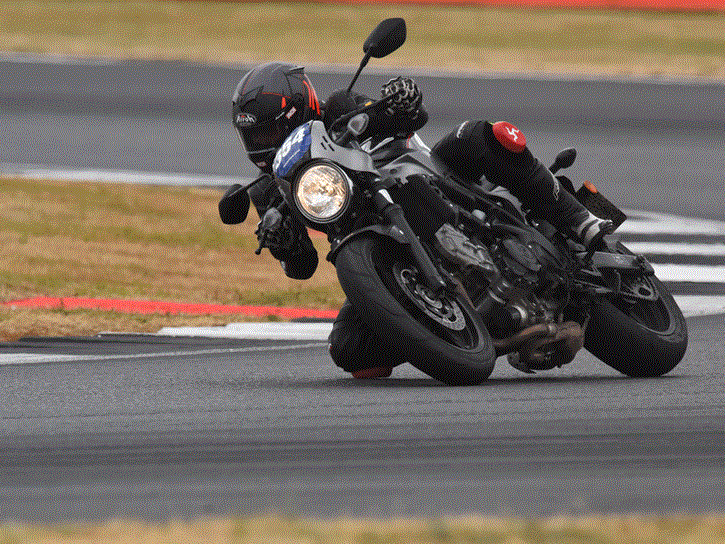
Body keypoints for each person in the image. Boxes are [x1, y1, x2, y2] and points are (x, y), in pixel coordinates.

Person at [232, 62, 612, 379]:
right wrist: (284, 244)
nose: (262, 142)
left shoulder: (340, 108)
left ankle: (580, 219)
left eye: (268, 129)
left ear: (301, 107)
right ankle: (451, 333)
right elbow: (303, 267)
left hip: (433, 183)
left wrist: (401, 99)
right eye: (253, 135)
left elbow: (410, 117)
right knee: (351, 350)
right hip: (377, 243)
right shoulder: (269, 191)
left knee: (480, 136)